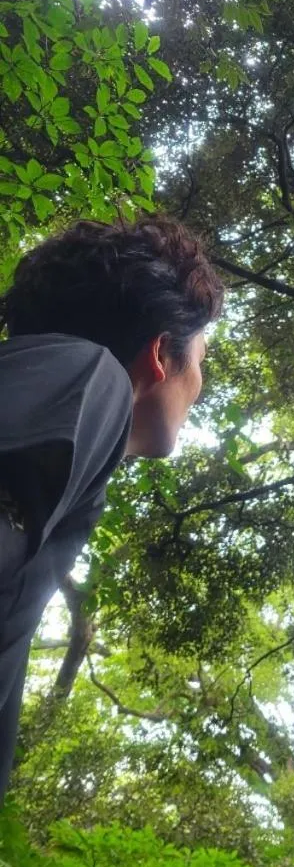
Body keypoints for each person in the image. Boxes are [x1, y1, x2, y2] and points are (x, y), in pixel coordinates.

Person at [0, 216, 223, 799]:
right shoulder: (88, 378)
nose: (200, 383)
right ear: (159, 355)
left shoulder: (59, 415)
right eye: (200, 360)